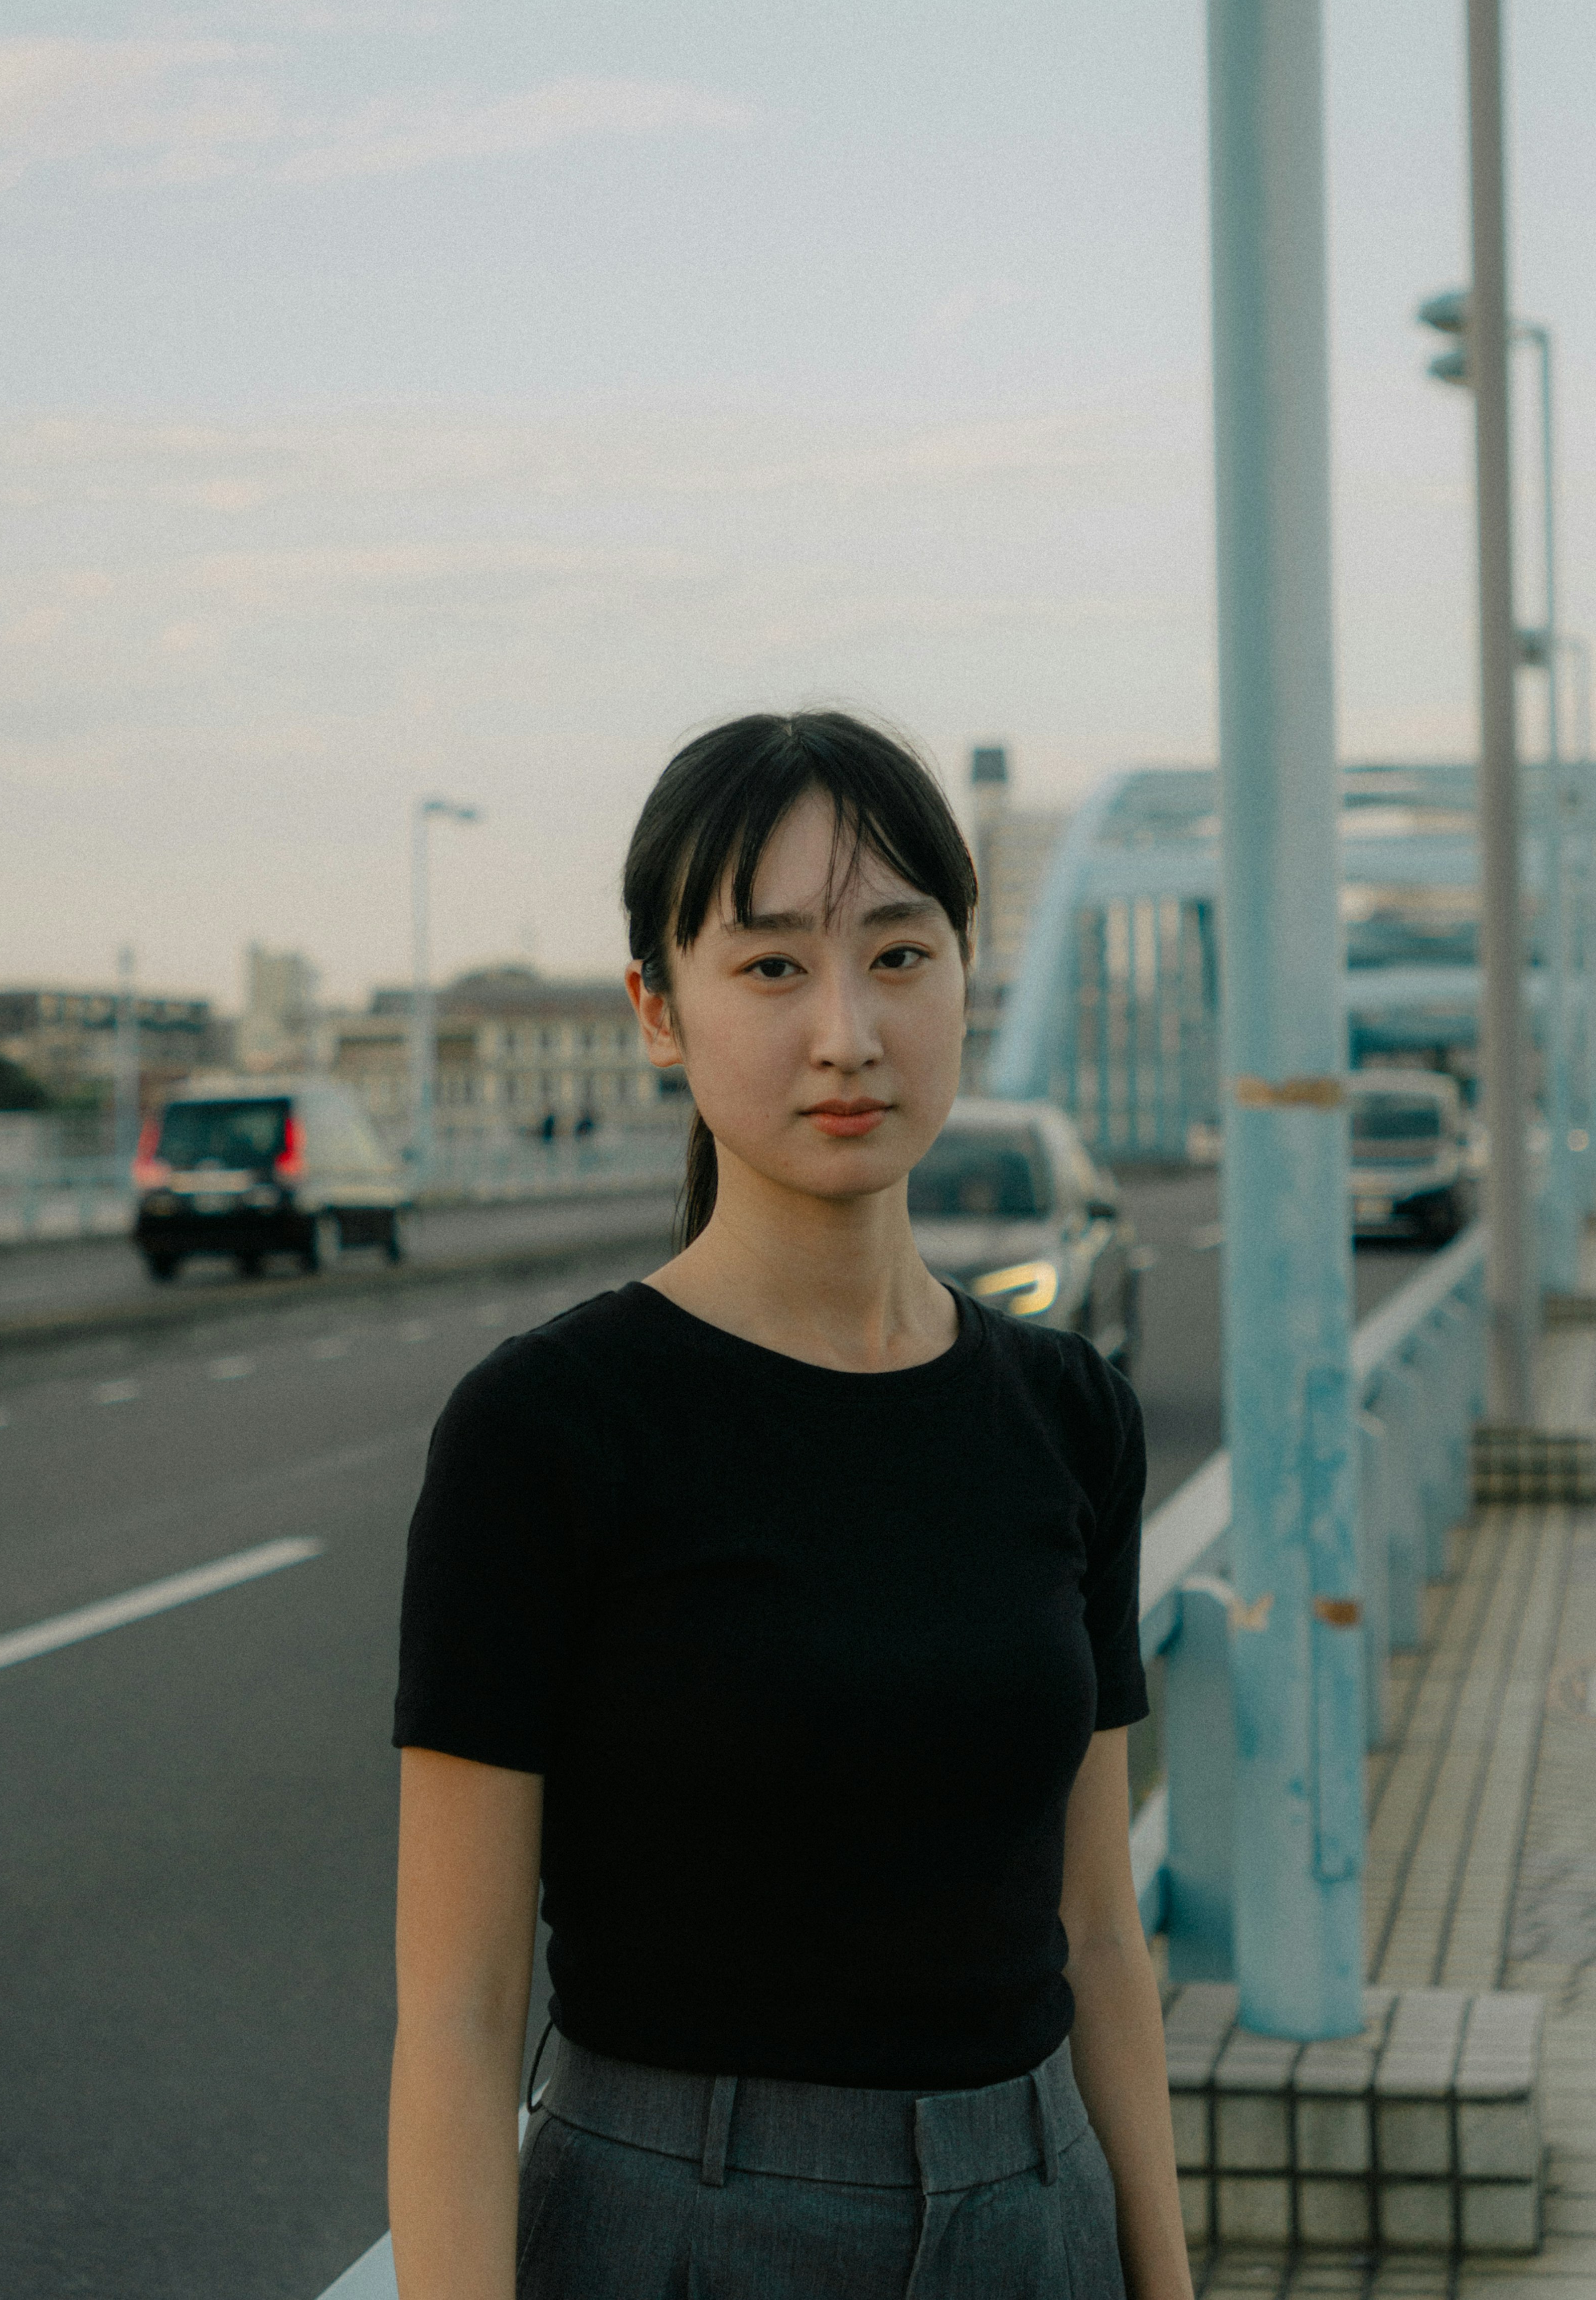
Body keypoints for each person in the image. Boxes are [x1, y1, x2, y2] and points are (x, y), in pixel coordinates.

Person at [388, 711, 1194, 2300]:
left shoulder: (1065, 1416)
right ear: (657, 1010)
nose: (848, 1030)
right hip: (674, 2224)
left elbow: (1097, 1934)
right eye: (771, 968)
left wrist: (1162, 2279)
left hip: (1036, 2217)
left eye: (901, 957)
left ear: (970, 978)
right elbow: (462, 2015)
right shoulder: (549, 1427)